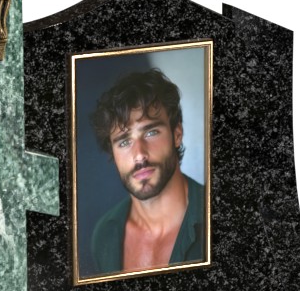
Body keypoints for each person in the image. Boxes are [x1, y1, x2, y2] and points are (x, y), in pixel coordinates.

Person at [85, 66, 208, 278]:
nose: (139, 155)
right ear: (112, 153)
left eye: (151, 132)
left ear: (177, 134)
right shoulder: (104, 235)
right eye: (124, 142)